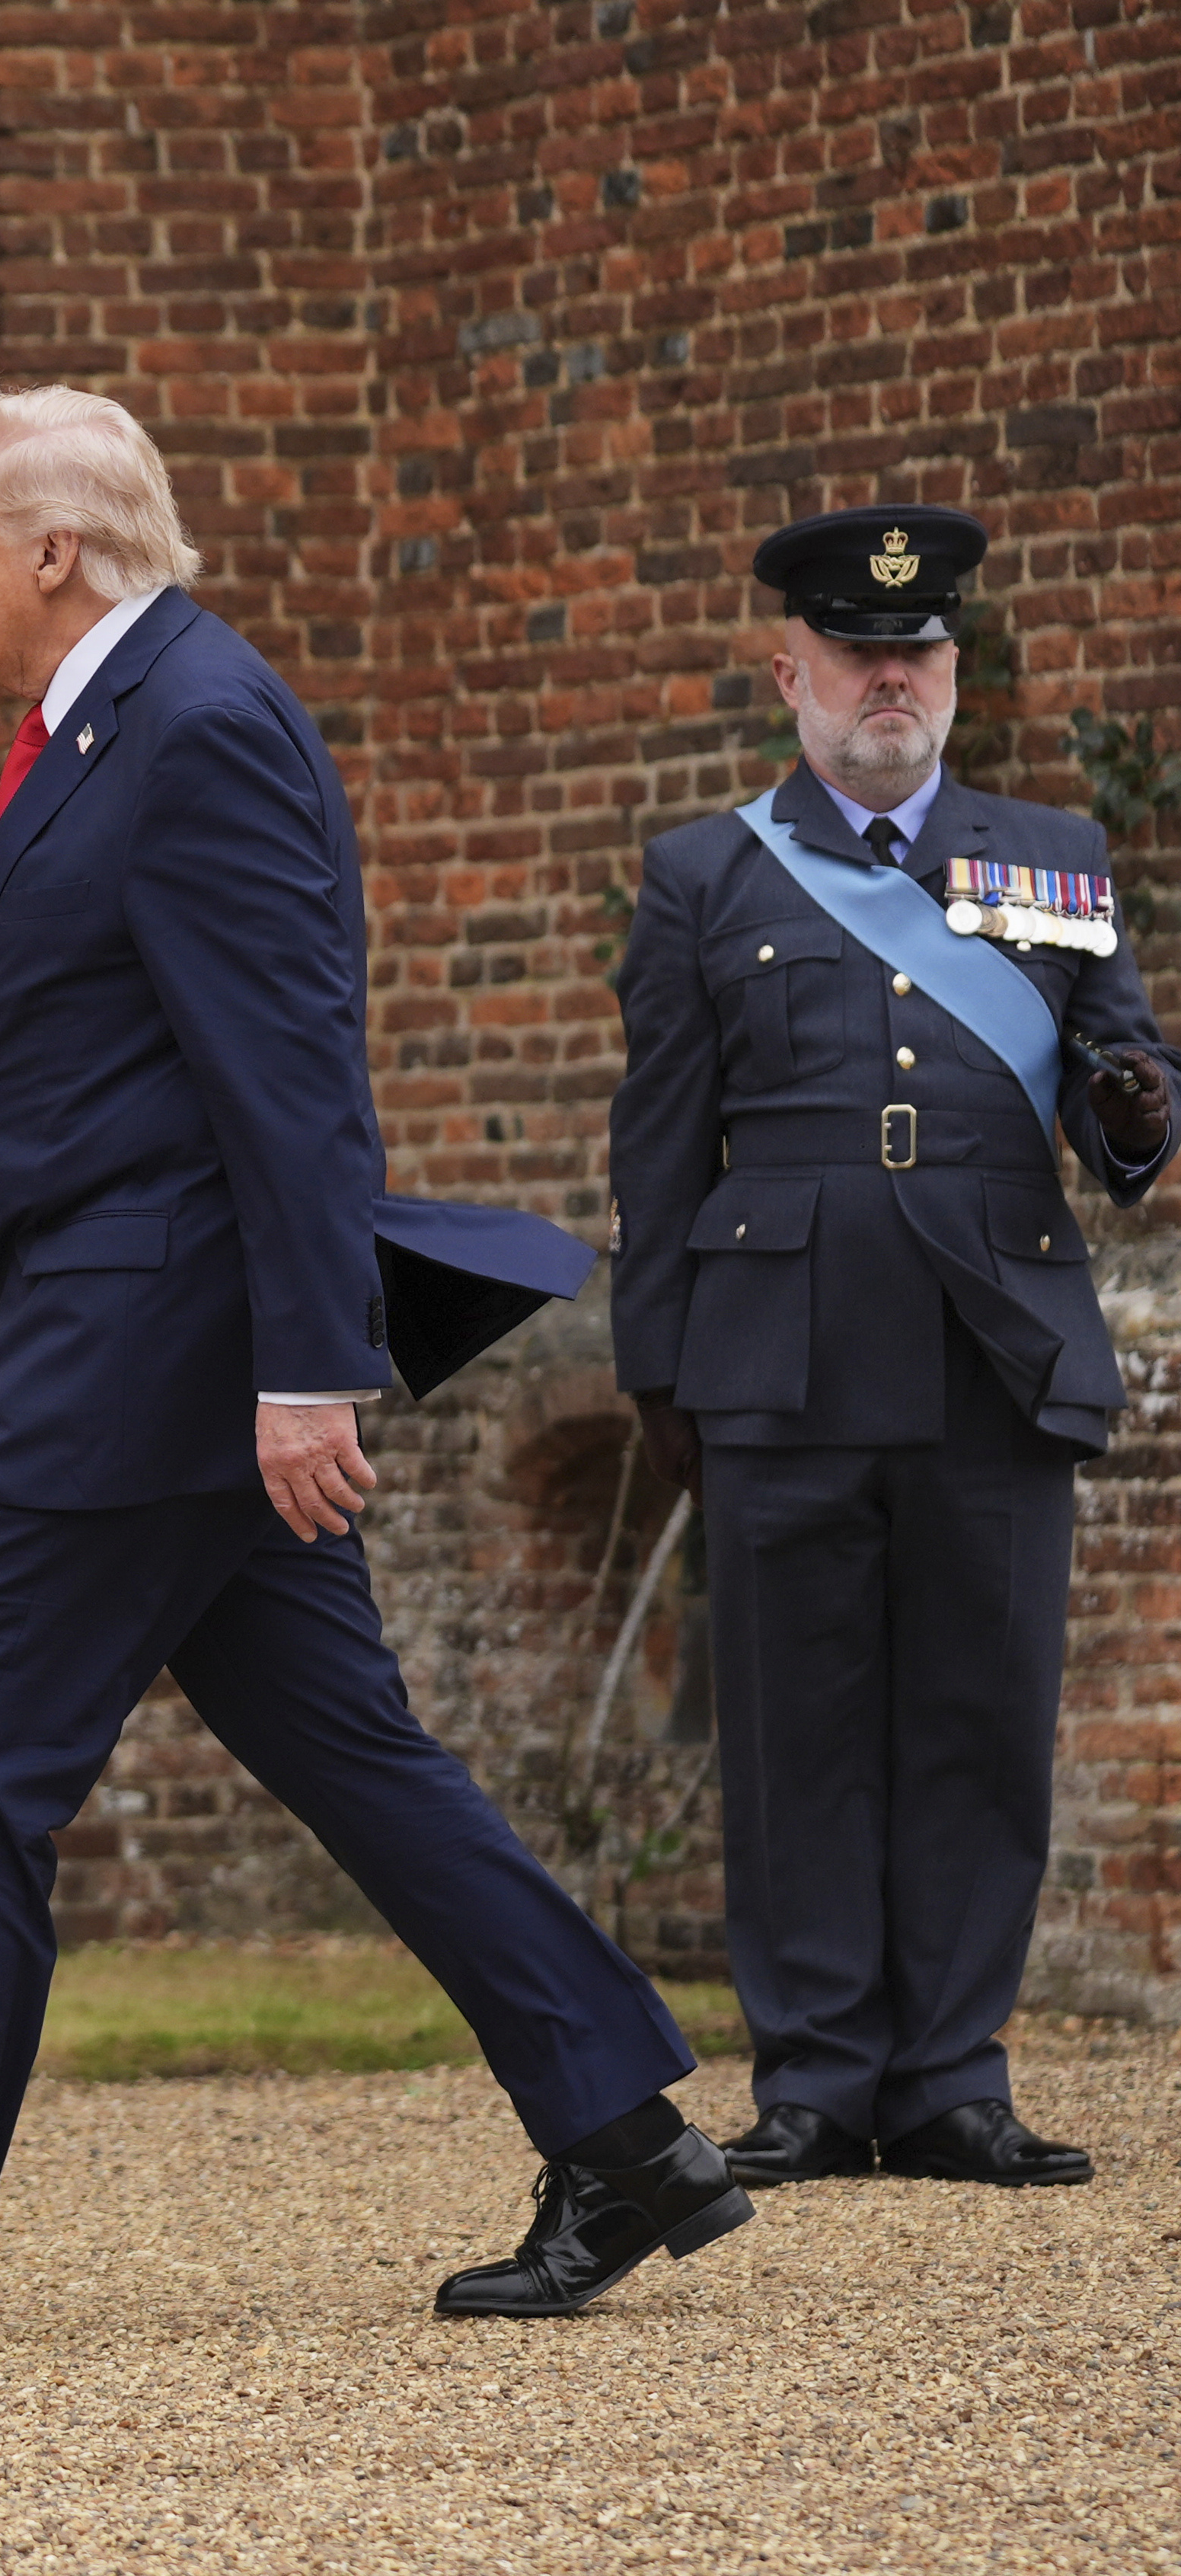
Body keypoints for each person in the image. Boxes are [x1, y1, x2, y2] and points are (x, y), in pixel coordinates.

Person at [0, 376, 738, 2347]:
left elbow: (294, 1076)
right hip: (118, 1340)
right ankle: (625, 2131)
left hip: (165, 1356)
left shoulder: (201, 726)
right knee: (354, 1747)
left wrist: (307, 1365)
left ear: (54, 552)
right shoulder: (103, 725)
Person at [608, 507, 1169, 2193]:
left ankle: (946, 2077)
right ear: (791, 669)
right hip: (776, 1346)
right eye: (856, 650)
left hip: (991, 1336)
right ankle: (812, 2072)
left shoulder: (1049, 856)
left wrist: (1136, 1106)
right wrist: (658, 1370)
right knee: (792, 1722)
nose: (889, 679)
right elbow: (656, 1143)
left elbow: (1116, 1084)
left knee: (977, 1717)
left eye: (917, 652)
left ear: (954, 670)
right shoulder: (704, 871)